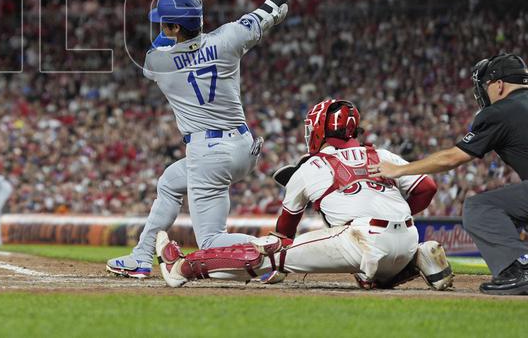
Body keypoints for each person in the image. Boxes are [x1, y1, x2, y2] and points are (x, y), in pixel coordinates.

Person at [107, 0, 317, 279]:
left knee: (210, 240)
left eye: (165, 24)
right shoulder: (228, 38)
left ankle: (273, 250)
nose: (160, 28)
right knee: (171, 182)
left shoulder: (158, 62)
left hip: (209, 153)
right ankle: (141, 255)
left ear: (176, 28)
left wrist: (189, 6)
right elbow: (271, 7)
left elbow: (161, 48)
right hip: (243, 147)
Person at [155, 98, 453, 291]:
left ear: (321, 130)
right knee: (374, 271)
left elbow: (283, 235)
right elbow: (427, 187)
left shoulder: (312, 166)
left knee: (269, 251)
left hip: (363, 239)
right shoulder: (383, 154)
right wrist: (394, 215)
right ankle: (417, 258)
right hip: (408, 236)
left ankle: (182, 267)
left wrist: (282, 260)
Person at [377, 53, 528, 295]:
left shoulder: (500, 111)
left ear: (499, 85)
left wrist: (399, 169)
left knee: (480, 208)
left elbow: (453, 158)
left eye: (487, 86)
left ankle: (517, 271)